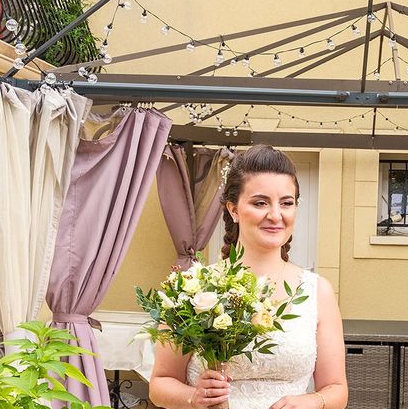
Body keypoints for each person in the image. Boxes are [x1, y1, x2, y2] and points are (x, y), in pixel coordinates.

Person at [149, 145, 348, 409]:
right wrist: (192, 397)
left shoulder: (317, 292)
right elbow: (160, 383)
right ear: (233, 209)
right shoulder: (193, 288)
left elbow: (336, 389)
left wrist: (312, 401)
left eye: (287, 203)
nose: (275, 215)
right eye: (260, 203)